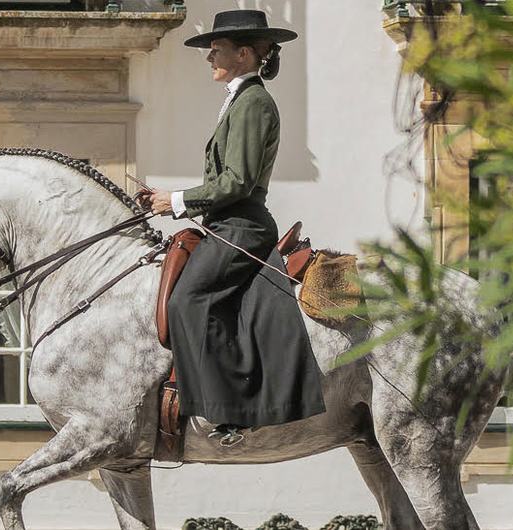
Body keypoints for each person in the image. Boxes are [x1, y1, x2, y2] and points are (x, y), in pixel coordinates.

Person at [141, 10, 326, 447]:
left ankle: (230, 413)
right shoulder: (239, 99)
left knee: (189, 299)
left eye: (217, 49)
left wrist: (178, 201)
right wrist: (170, 201)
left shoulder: (255, 102)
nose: (209, 56)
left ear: (243, 54)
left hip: (243, 226)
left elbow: (238, 180)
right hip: (225, 222)